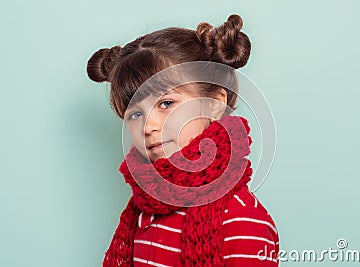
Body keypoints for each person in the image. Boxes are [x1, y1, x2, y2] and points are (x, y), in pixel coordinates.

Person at [87, 14, 279, 267]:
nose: (149, 126)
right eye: (135, 114)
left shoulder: (241, 220)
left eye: (166, 103)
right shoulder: (143, 211)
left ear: (214, 104)